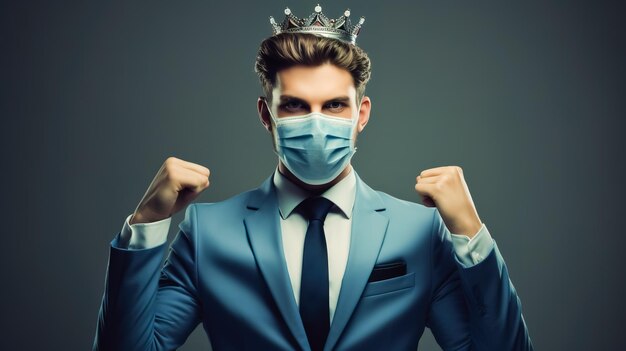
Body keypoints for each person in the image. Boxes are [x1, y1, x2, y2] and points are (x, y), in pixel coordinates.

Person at [93, 4, 533, 351]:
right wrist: (147, 222)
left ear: (361, 114)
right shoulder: (208, 233)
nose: (316, 122)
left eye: (335, 105)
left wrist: (471, 235)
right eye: (296, 106)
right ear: (267, 115)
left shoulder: (418, 232)